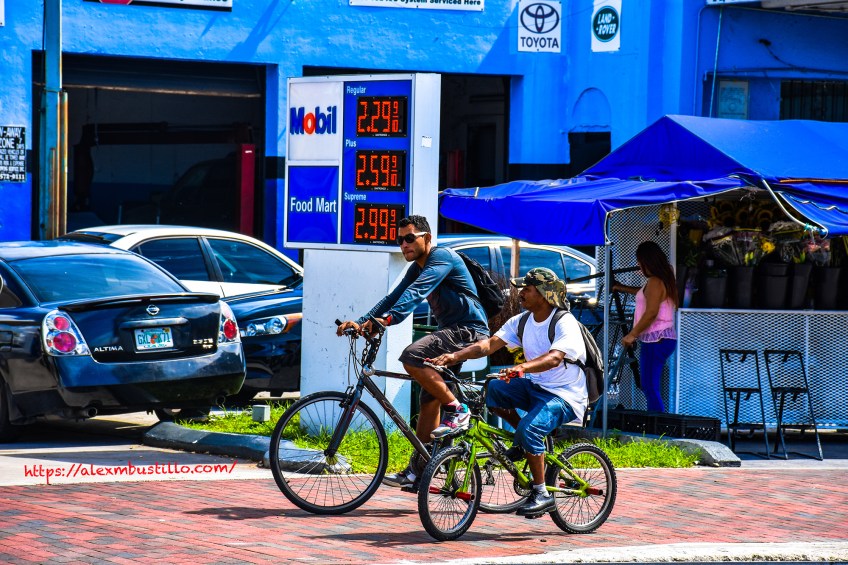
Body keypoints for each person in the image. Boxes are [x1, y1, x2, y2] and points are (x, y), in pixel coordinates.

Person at [336, 215, 490, 489]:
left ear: (427, 238)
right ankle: (420, 469)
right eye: (399, 240)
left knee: (412, 355)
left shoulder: (441, 258)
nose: (404, 244)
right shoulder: (417, 266)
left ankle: (459, 409)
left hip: (468, 331)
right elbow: (394, 296)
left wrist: (386, 320)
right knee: (428, 399)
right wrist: (362, 321)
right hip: (450, 334)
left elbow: (416, 294)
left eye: (410, 238)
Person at [430, 267, 587, 518]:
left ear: (544, 294)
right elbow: (489, 345)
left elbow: (555, 358)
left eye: (527, 289)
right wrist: (453, 356)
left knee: (530, 429)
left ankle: (541, 493)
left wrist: (522, 367)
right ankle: (521, 440)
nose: (520, 293)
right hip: (535, 386)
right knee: (494, 389)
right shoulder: (521, 321)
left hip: (565, 394)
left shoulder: (563, 321)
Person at [612, 241, 678, 412]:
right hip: (659, 339)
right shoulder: (658, 280)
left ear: (647, 261)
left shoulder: (656, 281)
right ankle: (657, 426)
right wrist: (620, 287)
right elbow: (643, 294)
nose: (638, 265)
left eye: (639, 261)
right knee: (649, 385)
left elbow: (651, 312)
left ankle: (658, 432)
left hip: (657, 339)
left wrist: (632, 334)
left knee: (649, 386)